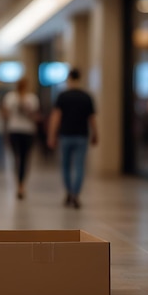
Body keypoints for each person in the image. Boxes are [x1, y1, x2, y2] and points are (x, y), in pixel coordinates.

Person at [47, 68, 98, 209]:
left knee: (65, 166)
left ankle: (69, 191)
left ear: (69, 79)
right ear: (80, 78)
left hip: (66, 135)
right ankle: (76, 194)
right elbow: (92, 118)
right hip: (82, 135)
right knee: (80, 166)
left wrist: (51, 136)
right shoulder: (86, 97)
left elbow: (56, 117)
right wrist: (95, 134)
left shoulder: (62, 96)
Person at [2, 78, 40, 199]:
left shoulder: (32, 98)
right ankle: (18, 182)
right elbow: (5, 114)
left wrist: (26, 108)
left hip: (27, 131)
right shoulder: (10, 97)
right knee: (16, 158)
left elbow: (35, 115)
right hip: (14, 130)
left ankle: (22, 184)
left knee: (25, 158)